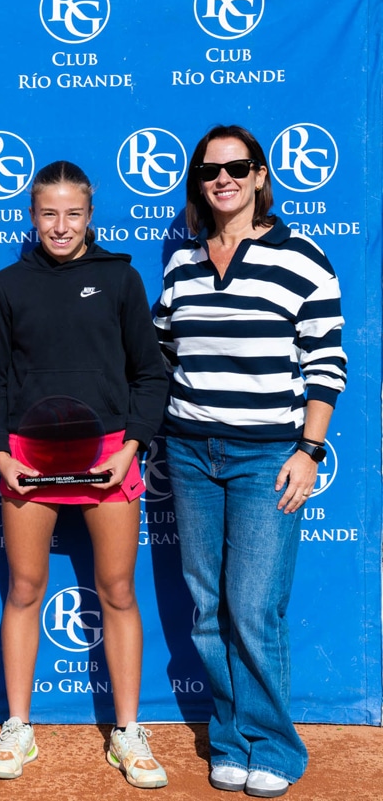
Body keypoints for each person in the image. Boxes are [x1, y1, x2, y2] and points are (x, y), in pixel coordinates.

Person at [154, 125, 345, 799]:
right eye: (210, 170)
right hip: (189, 453)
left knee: (254, 607)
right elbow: (162, 353)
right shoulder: (182, 263)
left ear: (261, 175)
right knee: (208, 607)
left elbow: (326, 362)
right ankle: (231, 738)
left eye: (237, 167)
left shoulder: (302, 257)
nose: (223, 179)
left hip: (268, 455)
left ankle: (275, 746)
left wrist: (309, 450)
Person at [0, 161, 169, 788]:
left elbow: (150, 375)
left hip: (109, 454)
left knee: (117, 589)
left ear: (90, 215)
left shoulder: (120, 279)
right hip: (28, 457)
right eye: (49, 214)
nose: (61, 226)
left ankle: (128, 730)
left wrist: (131, 447)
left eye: (73, 214)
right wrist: (1, 454)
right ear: (32, 217)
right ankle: (18, 727)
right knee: (25, 588)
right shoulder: (8, 284)